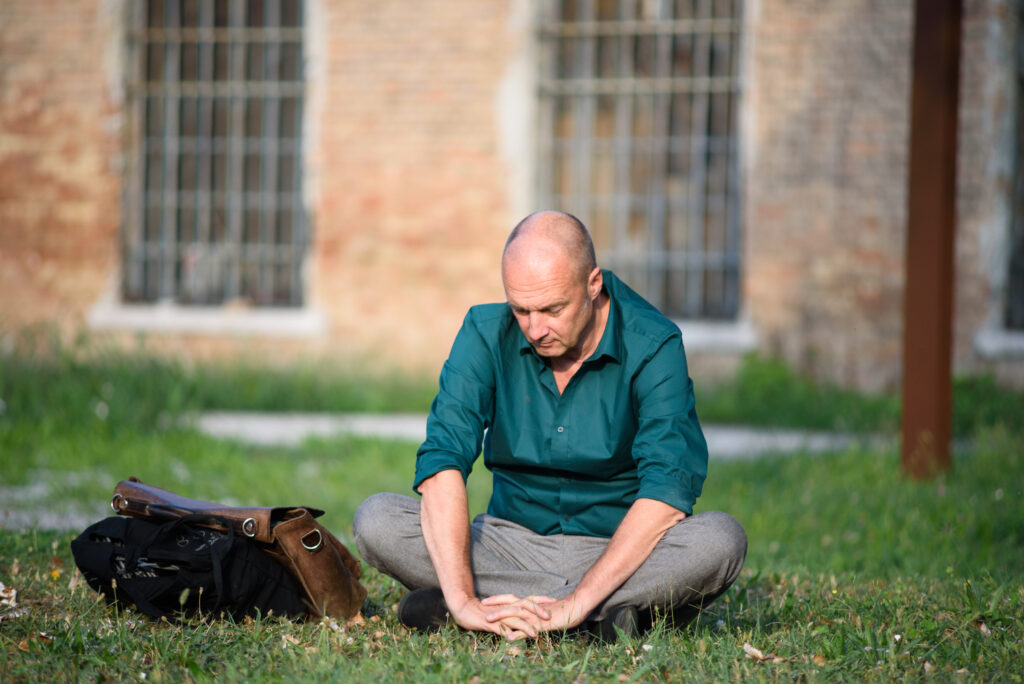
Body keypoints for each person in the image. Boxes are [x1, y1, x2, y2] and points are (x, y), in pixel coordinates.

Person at [354, 210, 746, 641]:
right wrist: (463, 598)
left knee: (721, 540)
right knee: (377, 519)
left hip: (619, 547)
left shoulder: (653, 343)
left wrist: (576, 599)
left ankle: (536, 610)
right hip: (506, 545)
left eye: (551, 309)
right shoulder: (485, 333)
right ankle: (602, 618)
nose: (535, 329)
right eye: (521, 309)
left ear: (593, 285)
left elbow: (667, 491)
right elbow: (443, 460)